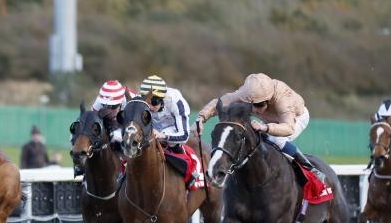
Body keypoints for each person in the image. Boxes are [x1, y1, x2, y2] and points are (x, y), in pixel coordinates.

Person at [195, 73, 325, 182]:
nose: (255, 110)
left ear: (268, 100)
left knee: (276, 139)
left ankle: (310, 169)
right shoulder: (246, 93)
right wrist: (201, 118)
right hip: (269, 119)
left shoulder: (284, 101)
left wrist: (265, 128)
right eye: (251, 105)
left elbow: (288, 128)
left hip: (295, 118)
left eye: (259, 105)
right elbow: (219, 103)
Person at [138, 75, 191, 152]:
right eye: (146, 102)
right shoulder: (137, 100)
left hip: (172, 130)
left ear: (162, 98)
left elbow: (184, 136)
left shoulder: (175, 101)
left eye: (154, 102)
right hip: (151, 129)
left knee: (172, 144)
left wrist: (163, 136)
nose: (150, 107)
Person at [91, 80, 137, 149]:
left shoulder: (131, 102)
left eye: (113, 106)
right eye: (105, 106)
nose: (109, 111)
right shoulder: (98, 103)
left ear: (120, 102)